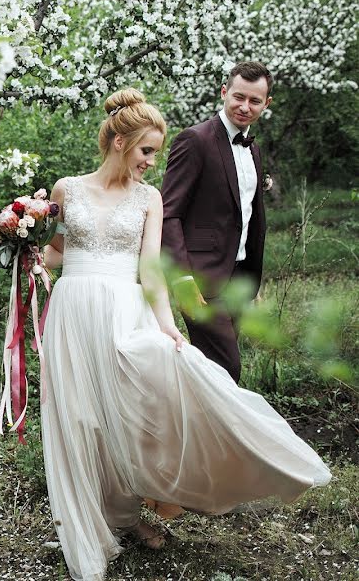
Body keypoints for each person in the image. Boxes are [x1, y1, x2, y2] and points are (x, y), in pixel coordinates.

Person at [38, 88, 330, 581]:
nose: (153, 161)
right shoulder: (67, 189)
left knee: (136, 410)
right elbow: (55, 252)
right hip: (71, 310)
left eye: (156, 151)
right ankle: (92, 521)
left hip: (122, 310)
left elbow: (151, 271)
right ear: (118, 143)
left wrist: (168, 326)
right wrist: (15, 244)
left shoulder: (149, 199)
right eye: (146, 150)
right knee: (80, 417)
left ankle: (134, 509)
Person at [161, 61, 273, 383]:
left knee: (215, 371)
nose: (244, 106)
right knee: (227, 368)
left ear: (267, 104)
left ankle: (196, 429)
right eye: (238, 97)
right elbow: (170, 213)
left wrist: (251, 279)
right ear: (224, 92)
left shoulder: (254, 151)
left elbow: (247, 217)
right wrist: (182, 280)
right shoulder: (194, 141)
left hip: (237, 278)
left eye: (254, 101)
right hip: (201, 278)